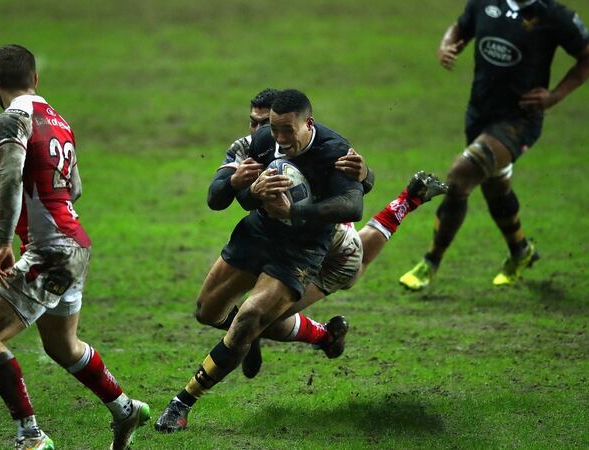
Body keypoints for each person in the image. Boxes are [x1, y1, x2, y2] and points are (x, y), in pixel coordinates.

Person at [154, 89, 444, 433]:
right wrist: (249, 190)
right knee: (211, 313)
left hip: (311, 246)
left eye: (283, 129)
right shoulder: (258, 141)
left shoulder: (334, 152)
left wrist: (313, 203)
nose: (275, 136)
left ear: (307, 123)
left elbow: (353, 203)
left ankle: (183, 401)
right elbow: (227, 198)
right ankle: (303, 337)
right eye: (265, 125)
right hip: (260, 234)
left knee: (261, 312)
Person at [0, 44, 149, 450]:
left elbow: (10, 178)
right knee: (62, 346)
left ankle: (30, 435)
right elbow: (76, 189)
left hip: (50, 250)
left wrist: (3, 241)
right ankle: (125, 408)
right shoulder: (60, 121)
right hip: (76, 244)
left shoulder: (10, 119)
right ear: (36, 79)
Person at [205, 88, 448, 380]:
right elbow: (220, 198)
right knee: (251, 318)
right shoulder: (249, 147)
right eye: (254, 122)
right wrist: (235, 183)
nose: (259, 130)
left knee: (350, 267)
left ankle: (408, 201)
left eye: (265, 124)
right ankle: (300, 336)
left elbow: (354, 188)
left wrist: (365, 174)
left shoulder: (307, 142)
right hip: (280, 236)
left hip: (329, 239)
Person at [399, 0, 589, 290]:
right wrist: (447, 45)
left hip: (519, 120)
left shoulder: (553, 15)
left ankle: (430, 262)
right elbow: (460, 28)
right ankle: (521, 251)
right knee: (496, 188)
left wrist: (555, 96)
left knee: (460, 176)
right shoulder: (484, 2)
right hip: (479, 114)